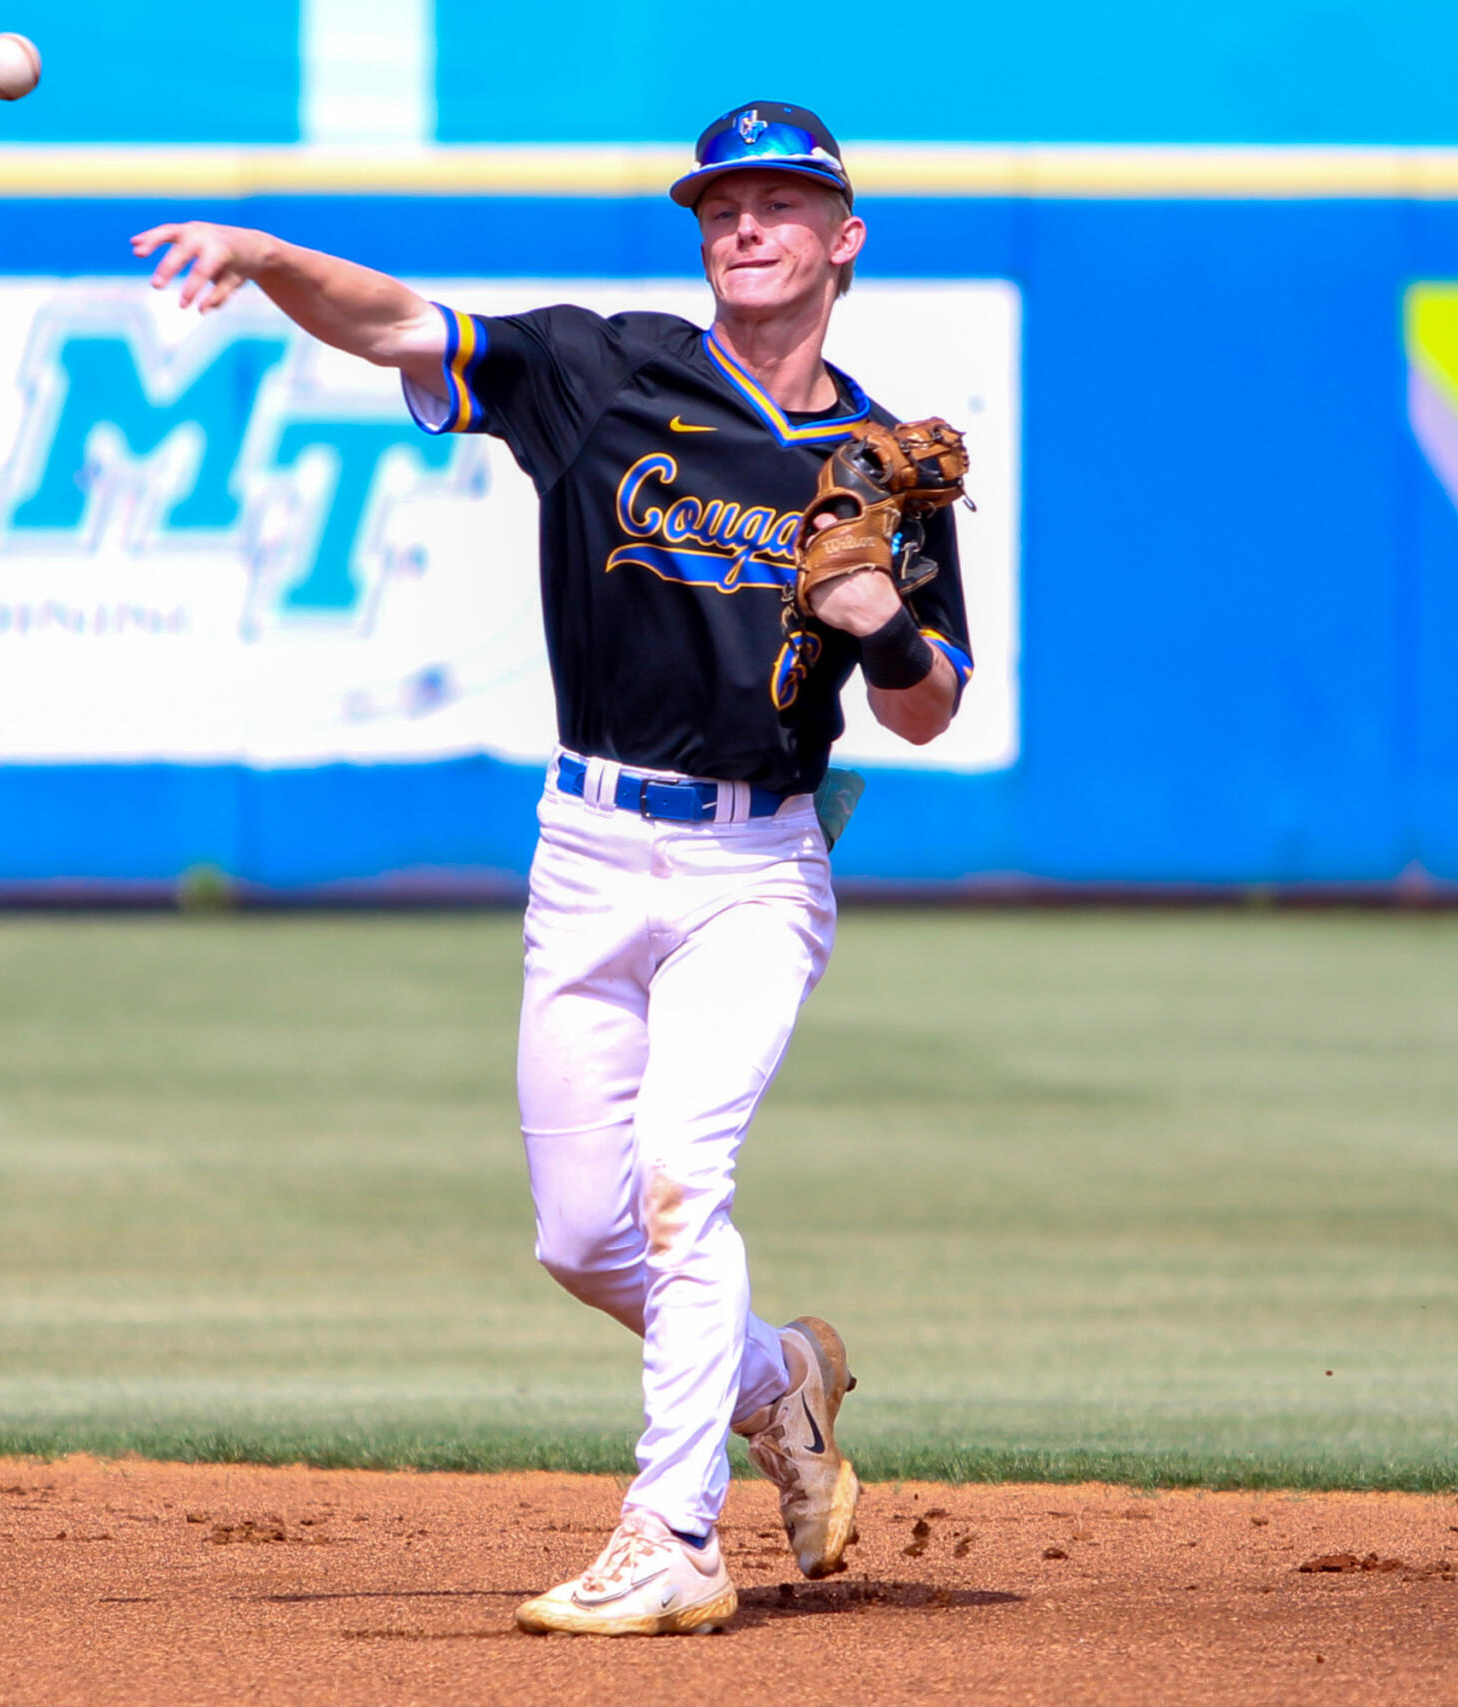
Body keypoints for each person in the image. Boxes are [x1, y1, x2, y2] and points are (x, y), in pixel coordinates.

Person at [133, 100, 974, 1637]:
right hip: (585, 850)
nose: (745, 224)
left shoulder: (886, 468)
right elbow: (398, 323)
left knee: (680, 1184)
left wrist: (887, 630)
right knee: (584, 1237)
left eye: (782, 202)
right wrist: (262, 254)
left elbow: (929, 711)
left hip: (754, 867)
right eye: (719, 203)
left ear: (844, 239)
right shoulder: (609, 372)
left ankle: (674, 1538)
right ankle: (780, 1379)